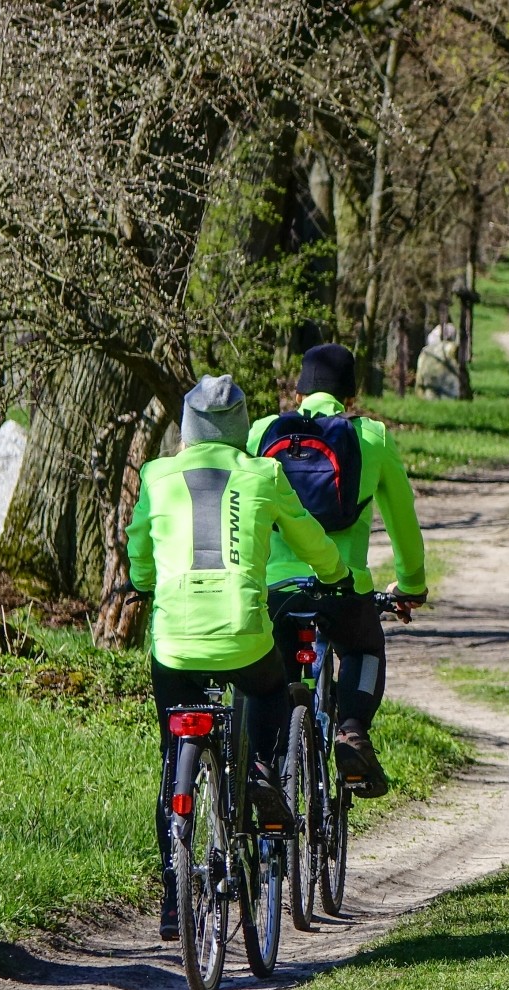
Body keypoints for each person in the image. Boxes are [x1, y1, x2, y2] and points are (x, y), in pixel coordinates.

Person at [128, 374, 353, 940]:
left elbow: (139, 560)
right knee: (270, 688)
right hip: (243, 636)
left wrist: (144, 580)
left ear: (187, 427)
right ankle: (258, 773)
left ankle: (174, 900)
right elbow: (309, 538)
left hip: (175, 645)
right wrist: (339, 577)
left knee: (170, 756)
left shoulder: (156, 476)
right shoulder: (262, 474)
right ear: (239, 427)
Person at [250, 343, 428, 801]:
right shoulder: (371, 437)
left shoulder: (262, 432)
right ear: (350, 394)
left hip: (277, 592)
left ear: (299, 391)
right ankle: (351, 733)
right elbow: (402, 518)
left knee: (273, 676)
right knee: (365, 648)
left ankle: (266, 768)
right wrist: (410, 586)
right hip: (344, 591)